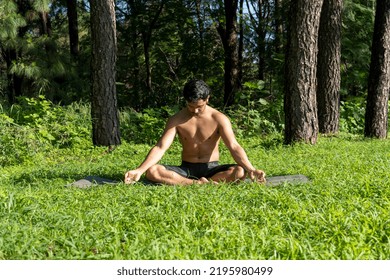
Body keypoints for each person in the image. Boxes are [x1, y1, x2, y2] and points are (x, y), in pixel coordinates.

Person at [124, 79, 266, 185]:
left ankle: (200, 182)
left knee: (239, 172)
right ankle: (197, 184)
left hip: (212, 168)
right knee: (152, 171)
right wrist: (140, 170)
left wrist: (251, 169)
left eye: (200, 106)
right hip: (187, 169)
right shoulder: (176, 119)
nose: (195, 111)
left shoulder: (219, 118)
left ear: (207, 99)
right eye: (191, 106)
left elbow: (234, 146)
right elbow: (161, 147)